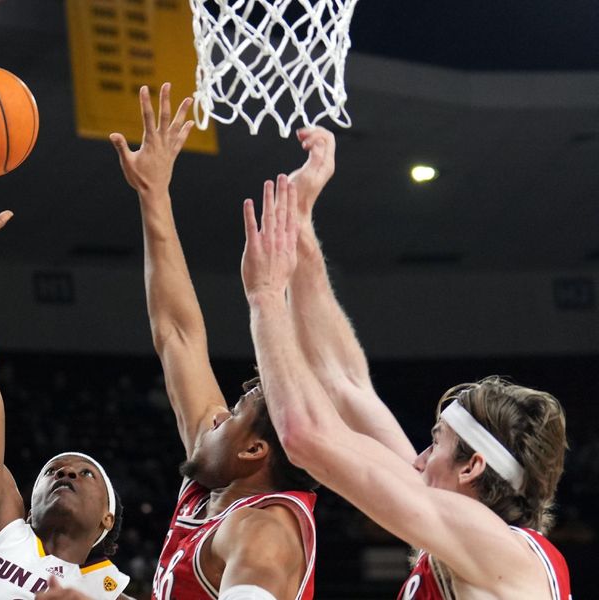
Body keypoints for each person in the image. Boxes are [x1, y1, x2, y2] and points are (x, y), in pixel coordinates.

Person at [240, 164, 572, 599]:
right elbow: (345, 382)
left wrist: (265, 297)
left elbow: (306, 437)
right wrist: (299, 225)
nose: (417, 460)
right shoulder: (462, 529)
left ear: (472, 467)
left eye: (438, 444)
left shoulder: (493, 545)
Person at [109, 83, 318, 600]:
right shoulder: (213, 488)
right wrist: (154, 196)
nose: (217, 413)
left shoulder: (263, 534)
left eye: (233, 414)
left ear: (254, 449)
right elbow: (178, 336)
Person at [0, 161, 130, 600]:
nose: (67, 474)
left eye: (86, 474)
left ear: (107, 520)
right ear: (27, 500)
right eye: (53, 470)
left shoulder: (110, 595)